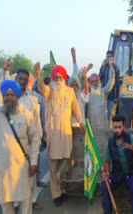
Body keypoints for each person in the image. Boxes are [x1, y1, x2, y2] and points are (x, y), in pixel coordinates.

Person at [35, 63, 85, 207]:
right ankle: (56, 194)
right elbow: (41, 88)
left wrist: (81, 122)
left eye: (60, 76)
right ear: (53, 78)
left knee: (65, 165)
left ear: (64, 78)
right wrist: (38, 75)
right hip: (52, 134)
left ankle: (62, 189)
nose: (58, 79)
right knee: (53, 166)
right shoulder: (49, 91)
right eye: (55, 77)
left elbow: (75, 110)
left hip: (66, 134)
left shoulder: (70, 92)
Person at [0, 80, 40, 214]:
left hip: (22, 166)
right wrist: (2, 70)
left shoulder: (26, 115)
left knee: (25, 200)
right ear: (2, 97)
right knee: (6, 202)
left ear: (17, 96)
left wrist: (34, 162)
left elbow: (34, 139)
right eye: (6, 95)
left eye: (12, 95)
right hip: (2, 168)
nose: (9, 98)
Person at [101, 115, 133, 214]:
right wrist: (107, 173)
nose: (117, 130)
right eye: (115, 127)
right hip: (116, 174)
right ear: (113, 128)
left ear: (124, 127)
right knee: (104, 185)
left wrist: (130, 147)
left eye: (119, 127)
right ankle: (107, 211)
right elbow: (107, 160)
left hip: (131, 174)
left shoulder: (130, 137)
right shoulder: (110, 142)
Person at [87, 62, 115, 128]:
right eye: (92, 81)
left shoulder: (103, 92)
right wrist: (87, 70)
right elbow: (79, 83)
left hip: (103, 126)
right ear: (90, 83)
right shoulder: (87, 95)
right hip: (91, 128)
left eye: (96, 81)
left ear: (99, 82)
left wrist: (111, 68)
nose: (95, 83)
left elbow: (110, 82)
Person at [68, 47, 89, 126]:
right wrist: (73, 58)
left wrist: (85, 77)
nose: (74, 87)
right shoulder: (66, 96)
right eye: (72, 85)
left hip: (80, 127)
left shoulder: (81, 96)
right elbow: (75, 72)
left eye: (76, 85)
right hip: (68, 127)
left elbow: (86, 90)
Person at [99, 51, 120, 121]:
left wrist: (116, 97)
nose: (109, 58)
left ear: (113, 58)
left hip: (112, 96)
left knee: (110, 115)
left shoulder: (116, 69)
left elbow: (117, 83)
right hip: (103, 95)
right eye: (108, 56)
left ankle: (109, 129)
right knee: (103, 114)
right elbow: (99, 79)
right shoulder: (103, 67)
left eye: (110, 56)